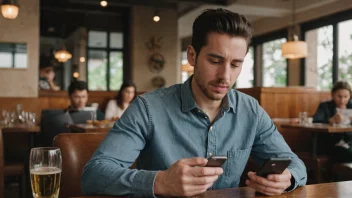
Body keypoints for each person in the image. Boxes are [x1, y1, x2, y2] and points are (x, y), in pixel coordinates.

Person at [82, 9, 306, 197]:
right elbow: (93, 175)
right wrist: (159, 182)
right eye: (215, 60)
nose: (225, 76)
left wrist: (287, 178)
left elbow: (295, 165)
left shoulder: (251, 111)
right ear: (191, 56)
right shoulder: (147, 109)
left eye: (236, 64)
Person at [313, 81, 352, 161]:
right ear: (333, 95)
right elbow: (315, 121)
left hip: (349, 142)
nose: (342, 100)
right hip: (330, 144)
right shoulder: (325, 106)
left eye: (345, 96)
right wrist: (330, 120)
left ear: (350, 96)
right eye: (339, 96)